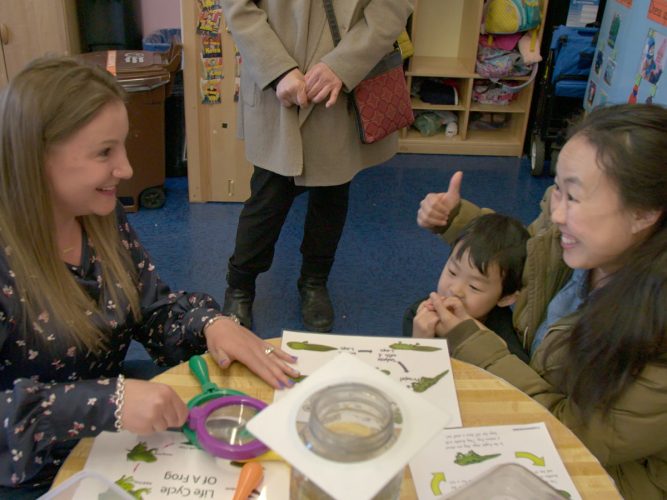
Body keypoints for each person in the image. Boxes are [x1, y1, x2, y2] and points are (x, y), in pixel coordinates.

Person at [0, 56, 299, 494]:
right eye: (105, 152)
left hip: (107, 439)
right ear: (36, 157)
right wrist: (108, 403)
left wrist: (209, 324)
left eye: (123, 145)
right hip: (33, 474)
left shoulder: (98, 215)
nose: (126, 169)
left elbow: (150, 308)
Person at [416, 104, 667, 499]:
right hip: (545, 396)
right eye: (557, 191)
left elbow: (569, 434)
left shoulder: (656, 334)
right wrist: (459, 223)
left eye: (575, 197)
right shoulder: (590, 244)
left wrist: (471, 342)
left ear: (643, 214)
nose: (557, 212)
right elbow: (531, 257)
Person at [218, 0, 414, 332]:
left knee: (332, 194)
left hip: (342, 84)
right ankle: (240, 285)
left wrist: (344, 64)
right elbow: (237, 5)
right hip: (276, 85)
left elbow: (392, 6)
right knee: (267, 198)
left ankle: (314, 281)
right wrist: (277, 68)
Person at [405, 213, 530, 363]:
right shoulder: (418, 315)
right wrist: (421, 341)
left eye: (474, 286)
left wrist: (478, 338)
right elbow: (413, 374)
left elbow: (516, 374)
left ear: (506, 298)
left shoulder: (504, 331)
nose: (456, 290)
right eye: (452, 272)